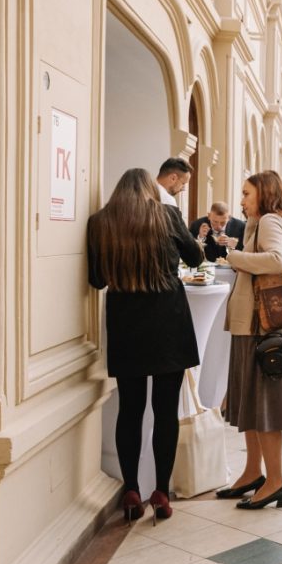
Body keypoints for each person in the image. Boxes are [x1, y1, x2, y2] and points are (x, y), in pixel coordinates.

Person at [87, 168, 203, 522]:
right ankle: (162, 493)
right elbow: (196, 258)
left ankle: (132, 490)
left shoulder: (100, 221)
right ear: (152, 191)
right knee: (165, 411)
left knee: (131, 409)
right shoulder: (166, 215)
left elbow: (97, 279)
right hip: (169, 321)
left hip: (127, 326)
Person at [216, 170, 282, 509]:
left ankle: (276, 481)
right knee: (252, 406)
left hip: (262, 328)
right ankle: (253, 472)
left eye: (246, 194)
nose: (241, 201)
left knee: (265, 409)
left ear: (264, 195)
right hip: (252, 326)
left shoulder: (270, 220)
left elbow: (277, 260)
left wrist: (234, 257)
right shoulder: (264, 221)